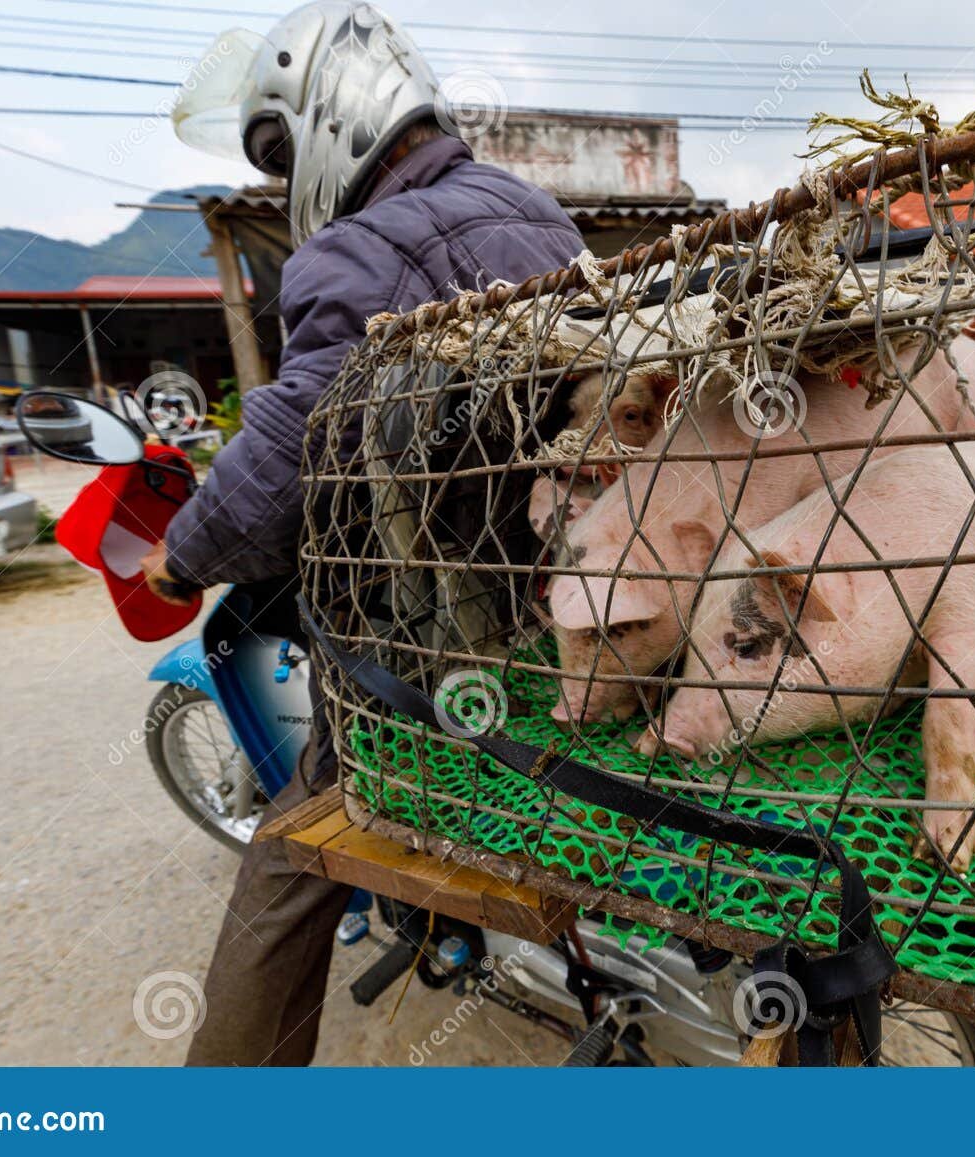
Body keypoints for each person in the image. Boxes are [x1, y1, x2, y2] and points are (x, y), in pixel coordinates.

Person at [144, 2, 583, 1065]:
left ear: (330, 119)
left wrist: (183, 557)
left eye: (276, 152)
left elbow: (296, 433)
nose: (274, 181)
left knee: (287, 857)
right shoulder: (532, 209)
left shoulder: (365, 246)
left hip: (441, 636)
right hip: (570, 588)